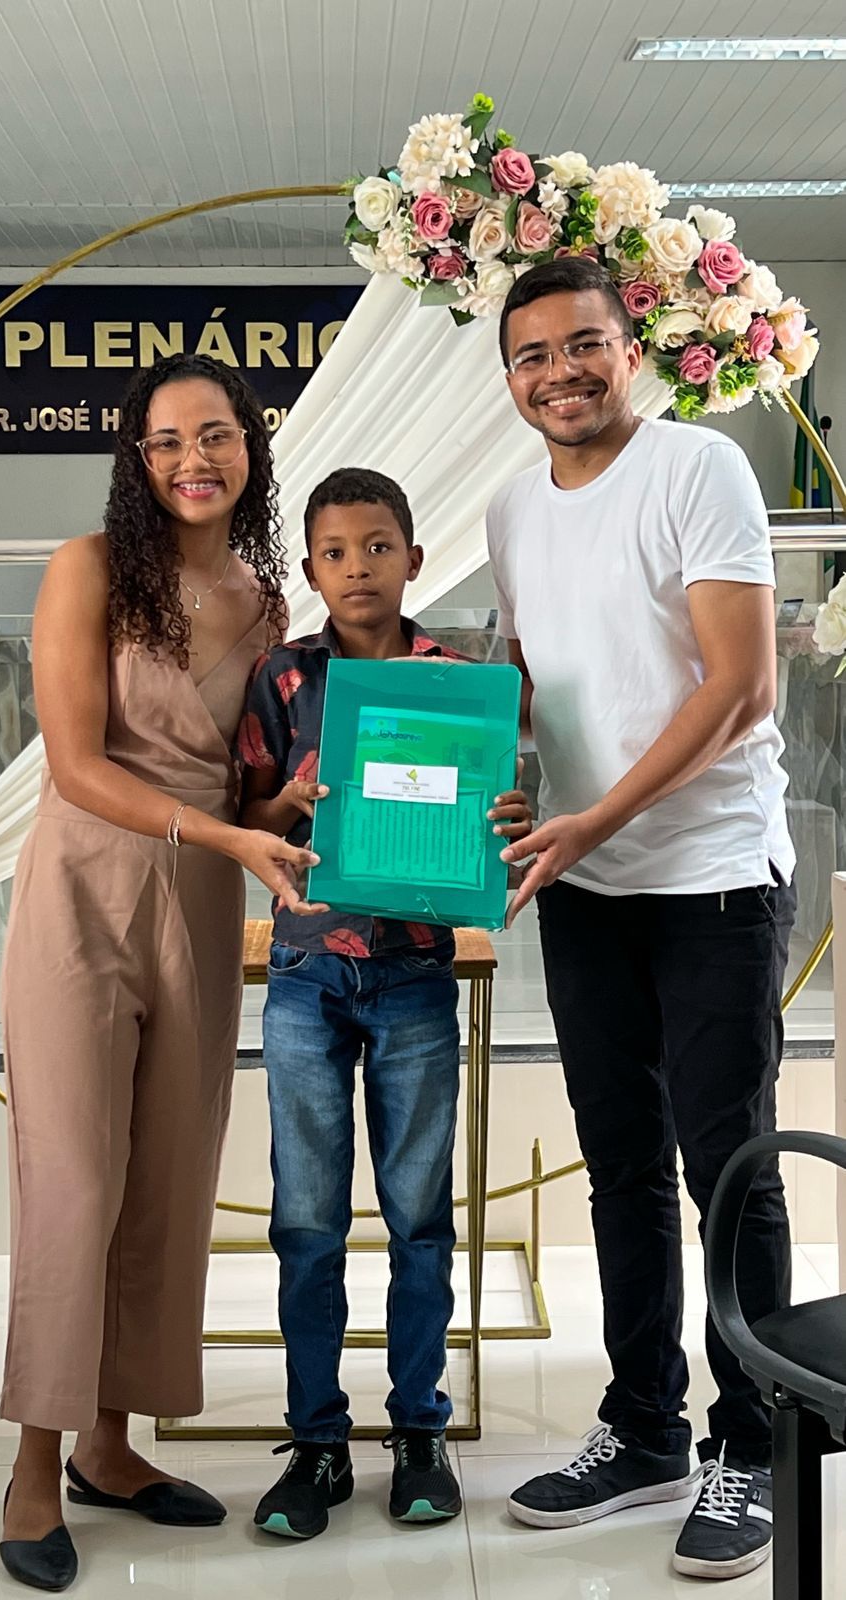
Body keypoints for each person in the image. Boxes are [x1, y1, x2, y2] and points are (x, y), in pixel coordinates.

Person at [489, 260, 795, 1583]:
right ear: (509, 378)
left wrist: (596, 817)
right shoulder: (511, 506)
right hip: (586, 888)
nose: (559, 371)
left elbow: (743, 687)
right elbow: (530, 675)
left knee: (729, 1165)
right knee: (618, 1164)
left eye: (582, 344)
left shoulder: (698, 469)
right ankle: (645, 1428)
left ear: (631, 349)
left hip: (712, 877)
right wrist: (473, 771)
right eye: (532, 354)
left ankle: (759, 1443)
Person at [0, 353, 322, 1592]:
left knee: (168, 1179)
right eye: (169, 440)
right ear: (138, 460)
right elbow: (76, 765)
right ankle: (35, 1464)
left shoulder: (267, 601)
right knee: (73, 1181)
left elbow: (244, 787)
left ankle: (111, 1443)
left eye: (217, 434)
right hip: (84, 888)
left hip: (199, 894)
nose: (195, 458)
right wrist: (232, 833)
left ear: (251, 447)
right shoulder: (87, 568)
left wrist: (289, 802)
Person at [238, 466, 531, 1539]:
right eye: (333, 552)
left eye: (376, 547)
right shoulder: (283, 676)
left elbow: (489, 810)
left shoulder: (456, 682)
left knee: (419, 1217)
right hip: (306, 977)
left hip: (413, 976)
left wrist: (504, 816)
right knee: (306, 1221)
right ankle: (316, 1440)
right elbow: (248, 813)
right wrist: (287, 802)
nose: (356, 567)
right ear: (309, 570)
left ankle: (419, 1432)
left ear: (414, 557)